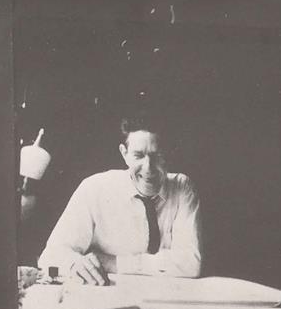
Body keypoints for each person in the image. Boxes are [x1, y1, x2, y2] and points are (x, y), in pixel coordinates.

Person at [38, 118, 202, 284]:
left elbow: (191, 264)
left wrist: (114, 263)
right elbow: (50, 257)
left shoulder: (182, 187)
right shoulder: (95, 188)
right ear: (124, 154)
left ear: (167, 154)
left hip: (166, 293)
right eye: (138, 155)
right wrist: (74, 264)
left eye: (157, 156)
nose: (148, 168)